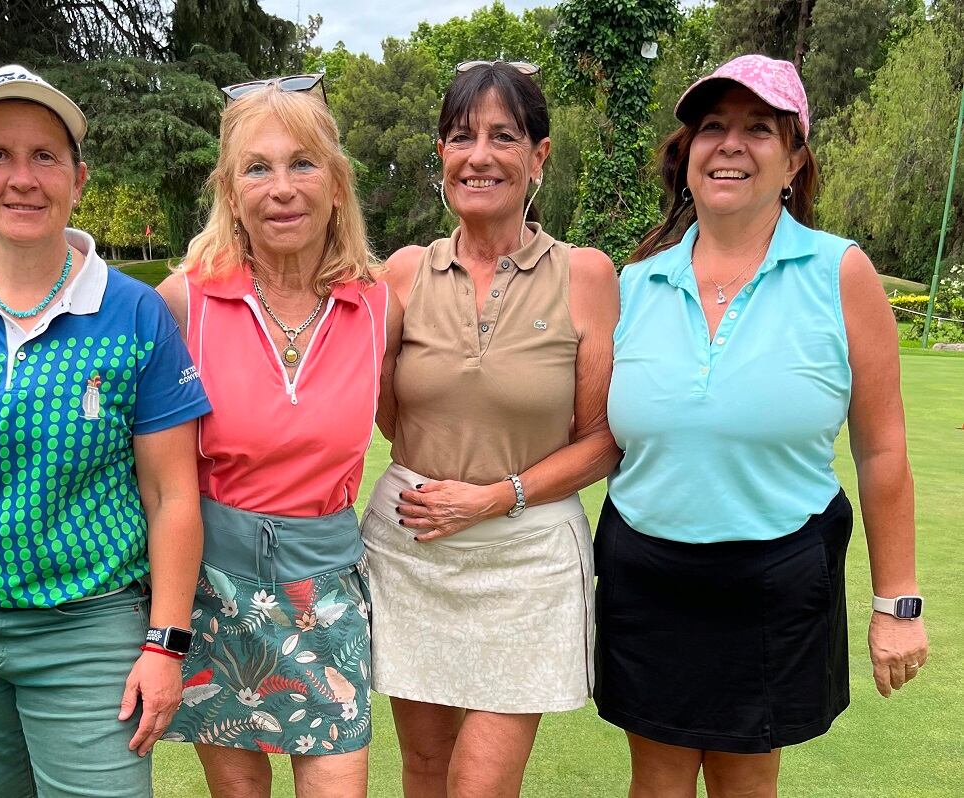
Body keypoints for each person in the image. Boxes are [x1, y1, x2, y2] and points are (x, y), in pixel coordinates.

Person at [0, 65, 209, 797]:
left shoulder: (135, 313)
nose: (23, 178)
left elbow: (172, 494)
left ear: (77, 179)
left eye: (44, 156)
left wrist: (166, 646)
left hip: (86, 628)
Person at [597, 54, 929, 797]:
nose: (730, 144)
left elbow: (882, 451)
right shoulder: (636, 281)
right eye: (712, 127)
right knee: (655, 780)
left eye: (758, 129)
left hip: (776, 575)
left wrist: (897, 604)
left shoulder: (839, 272)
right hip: (646, 574)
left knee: (748, 783)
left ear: (794, 161)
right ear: (686, 158)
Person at [361, 61, 620, 797]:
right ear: (441, 155)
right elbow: (386, 413)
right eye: (460, 136)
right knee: (423, 768)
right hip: (414, 548)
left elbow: (601, 439)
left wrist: (494, 496)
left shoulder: (586, 275)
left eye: (503, 136)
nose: (479, 155)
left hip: (527, 557)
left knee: (480, 783)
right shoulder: (403, 273)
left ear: (539, 155)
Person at [153, 75, 400, 798]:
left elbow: (452, 408)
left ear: (337, 184)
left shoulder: (382, 304)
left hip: (327, 593)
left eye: (302, 164)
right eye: (257, 168)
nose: (281, 187)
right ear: (231, 192)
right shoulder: (184, 301)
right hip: (215, 591)